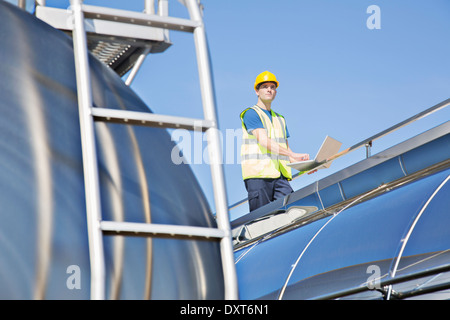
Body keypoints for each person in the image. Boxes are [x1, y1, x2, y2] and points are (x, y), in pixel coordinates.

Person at [240, 71, 310, 212]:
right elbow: (264, 141)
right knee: (261, 220)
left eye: (272, 87)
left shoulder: (280, 119)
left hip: (279, 178)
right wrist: (295, 155)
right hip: (258, 177)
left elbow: (288, 153)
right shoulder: (251, 113)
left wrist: (306, 166)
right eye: (265, 86)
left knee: (291, 211)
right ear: (256, 91)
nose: (269, 89)